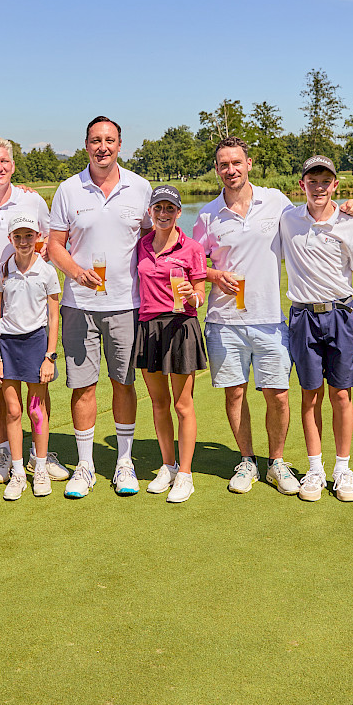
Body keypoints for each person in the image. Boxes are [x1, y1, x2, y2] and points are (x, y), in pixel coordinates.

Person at [193, 136, 353, 496]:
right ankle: (247, 461)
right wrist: (211, 275)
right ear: (217, 168)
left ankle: (277, 462)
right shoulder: (207, 214)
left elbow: (316, 211)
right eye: (223, 164)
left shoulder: (277, 203)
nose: (230, 170)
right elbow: (192, 262)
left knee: (280, 396)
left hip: (270, 320)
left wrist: (348, 206)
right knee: (234, 395)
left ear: (248, 163)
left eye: (236, 162)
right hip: (224, 322)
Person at [48, 116, 152, 499]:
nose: (102, 147)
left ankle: (124, 462)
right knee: (82, 385)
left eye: (109, 140)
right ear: (86, 145)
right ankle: (86, 467)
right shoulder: (68, 190)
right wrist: (75, 271)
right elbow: (54, 245)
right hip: (79, 306)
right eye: (95, 140)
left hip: (127, 304)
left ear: (120, 145)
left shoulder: (139, 188)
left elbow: (153, 239)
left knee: (124, 382)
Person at [0, 136, 68, 486]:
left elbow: (53, 241)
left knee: (39, 390)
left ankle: (42, 454)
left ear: (12, 165)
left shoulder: (31, 199)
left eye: (4, 162)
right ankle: (6, 451)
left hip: (30, 312)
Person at [279, 156, 353, 502]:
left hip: (342, 317)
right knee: (310, 394)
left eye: (325, 181)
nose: (318, 187)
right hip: (303, 317)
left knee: (342, 394)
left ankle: (342, 468)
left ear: (335, 184)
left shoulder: (350, 224)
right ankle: (315, 469)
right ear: (301, 184)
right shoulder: (288, 218)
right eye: (312, 181)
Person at [132, 186, 207, 503]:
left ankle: (186, 474)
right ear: (151, 211)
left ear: (179, 212)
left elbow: (200, 294)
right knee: (159, 403)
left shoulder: (191, 248)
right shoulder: (141, 246)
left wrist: (194, 296)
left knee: (182, 404)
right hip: (149, 327)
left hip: (180, 326)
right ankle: (168, 465)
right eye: (158, 208)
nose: (164, 214)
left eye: (170, 209)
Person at [0, 213, 61, 501]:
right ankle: (18, 472)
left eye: (28, 236)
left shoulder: (47, 272)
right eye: (17, 236)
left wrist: (50, 356)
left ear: (37, 238)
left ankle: (40, 468)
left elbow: (54, 316)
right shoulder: (3, 271)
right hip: (7, 345)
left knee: (36, 410)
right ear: (10, 239)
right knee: (14, 411)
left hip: (36, 345)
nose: (23, 241)